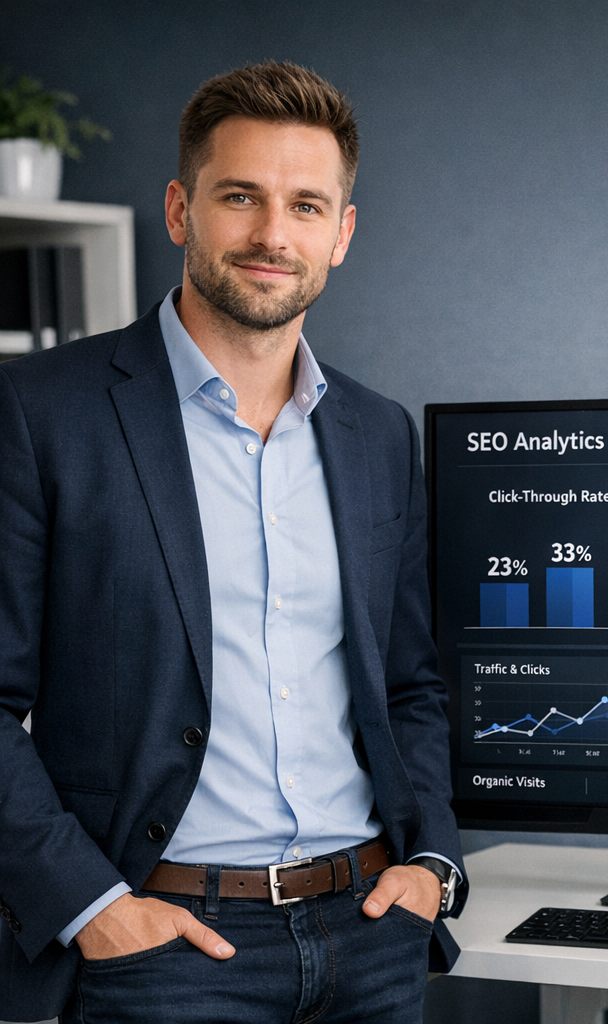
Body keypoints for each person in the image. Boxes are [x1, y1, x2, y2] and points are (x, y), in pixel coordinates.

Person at [0, 60, 466, 1024]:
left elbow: (410, 683)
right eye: (240, 197)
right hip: (165, 948)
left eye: (305, 206)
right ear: (180, 210)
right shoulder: (42, 412)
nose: (270, 235)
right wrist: (94, 909)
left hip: (372, 935)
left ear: (341, 234)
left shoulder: (378, 434)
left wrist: (432, 863)